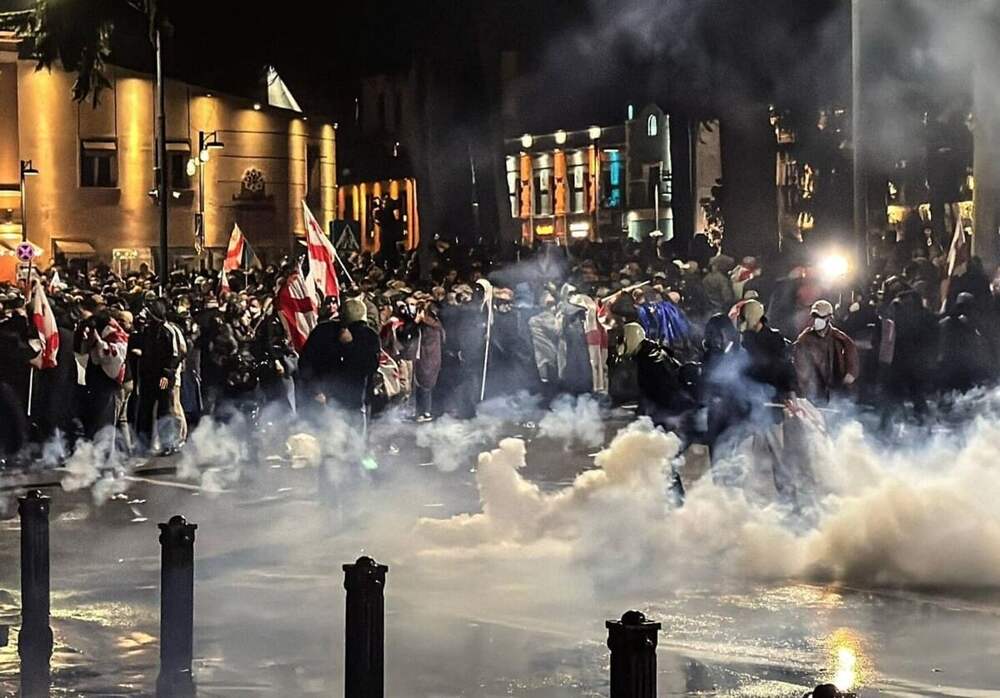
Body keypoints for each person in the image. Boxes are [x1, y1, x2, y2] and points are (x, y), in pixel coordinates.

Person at [300, 296, 381, 426]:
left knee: (353, 435)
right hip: (327, 397)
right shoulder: (323, 332)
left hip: (355, 400)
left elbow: (369, 366)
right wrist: (314, 389)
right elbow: (306, 362)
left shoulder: (368, 336)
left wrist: (350, 346)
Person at [135, 299, 184, 454]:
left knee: (165, 410)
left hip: (163, 376)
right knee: (145, 409)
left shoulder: (169, 330)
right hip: (148, 376)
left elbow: (177, 354)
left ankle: (168, 443)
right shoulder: (147, 331)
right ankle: (143, 443)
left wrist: (167, 374)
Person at [792, 300, 859, 405]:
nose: (817, 320)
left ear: (829, 318)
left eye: (821, 317)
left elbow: (851, 353)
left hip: (835, 389)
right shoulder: (805, 339)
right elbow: (799, 365)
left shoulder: (839, 338)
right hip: (813, 390)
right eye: (815, 316)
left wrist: (850, 373)